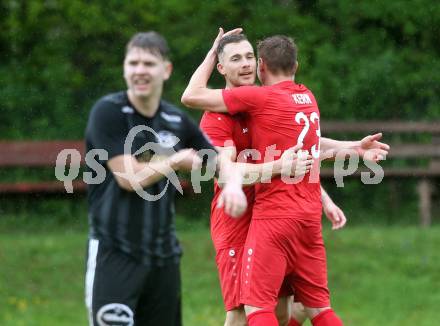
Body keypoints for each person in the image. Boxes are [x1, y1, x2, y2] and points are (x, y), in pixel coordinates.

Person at [182, 29, 389, 326]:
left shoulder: (261, 101)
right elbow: (229, 175)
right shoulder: (216, 116)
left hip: (272, 214)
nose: (244, 64)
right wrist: (278, 167)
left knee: (286, 310)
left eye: (249, 57)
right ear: (221, 67)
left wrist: (348, 156)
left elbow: (306, 142)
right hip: (237, 220)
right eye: (235, 58)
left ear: (260, 63)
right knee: (241, 313)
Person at [84, 31, 247, 326]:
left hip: (164, 259)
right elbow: (128, 177)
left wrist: (234, 185)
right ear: (124, 68)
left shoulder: (175, 120)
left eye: (148, 63)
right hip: (115, 253)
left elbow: (220, 160)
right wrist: (174, 160)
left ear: (166, 70)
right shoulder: (109, 112)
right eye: (133, 63)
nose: (140, 70)